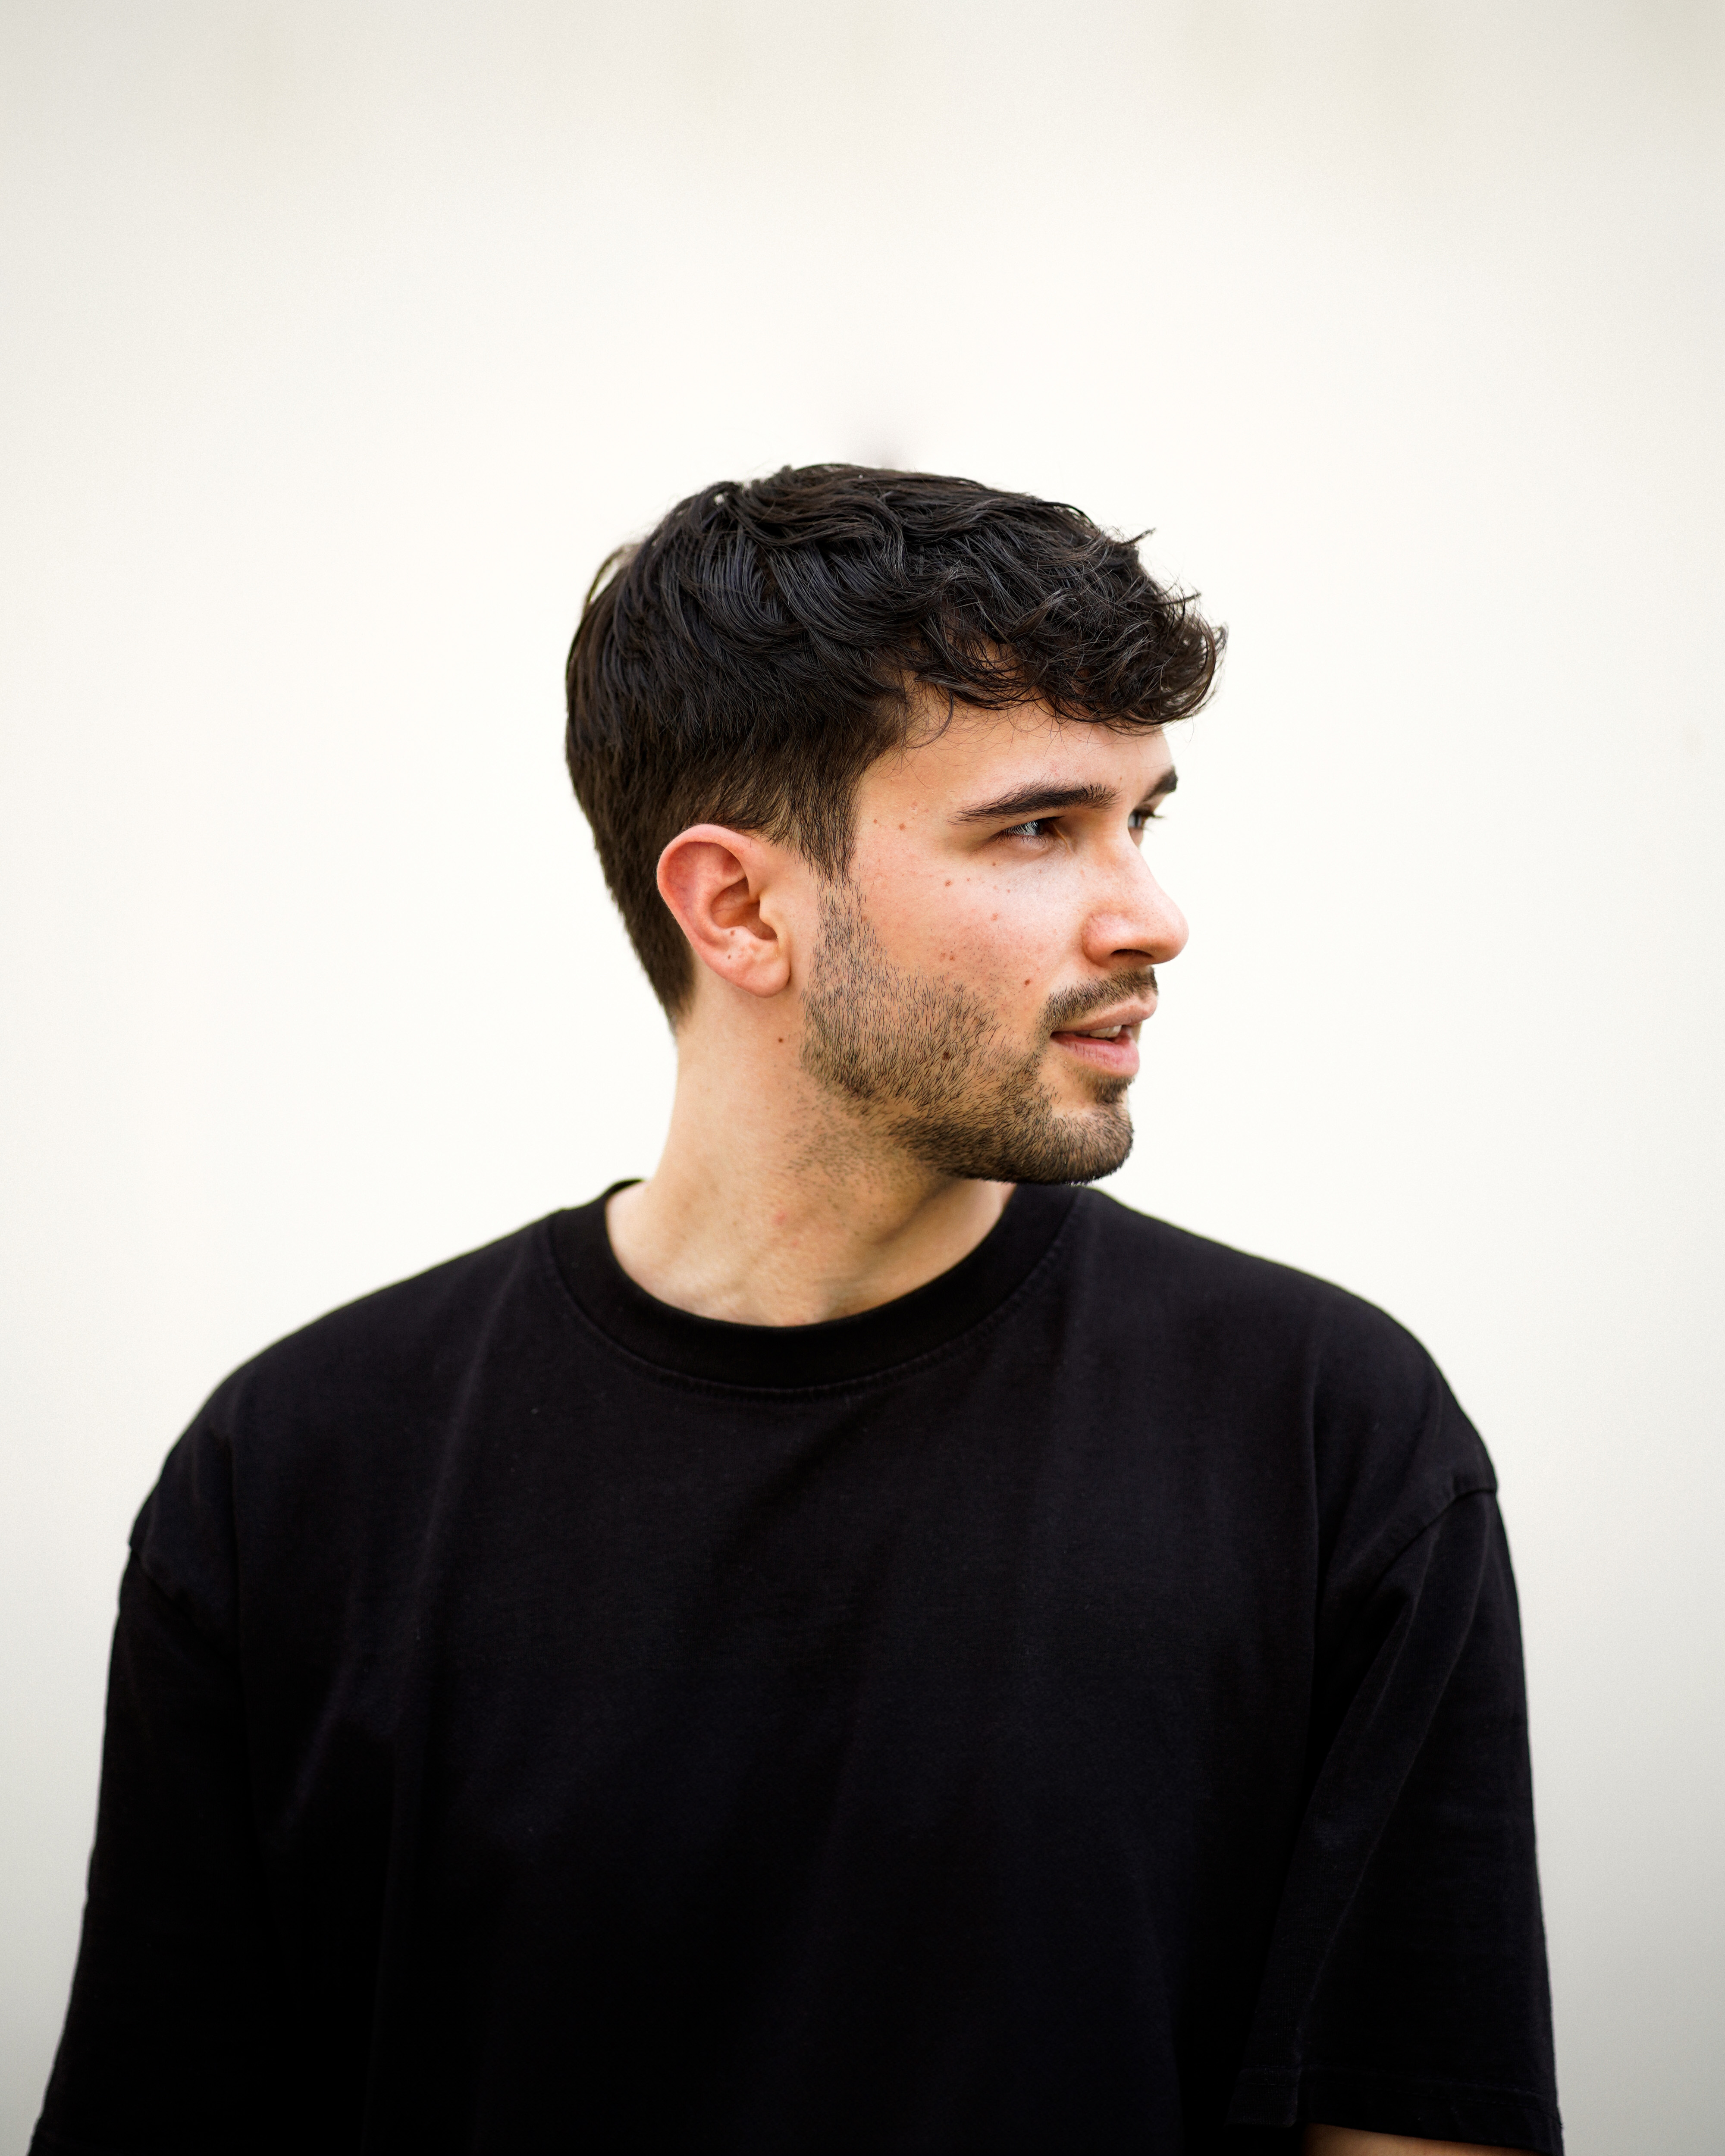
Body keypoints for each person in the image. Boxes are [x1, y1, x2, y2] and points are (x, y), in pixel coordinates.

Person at [32, 468, 1561, 2156]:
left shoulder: (1329, 1438)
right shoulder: (297, 1474)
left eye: (1145, 818)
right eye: (1038, 826)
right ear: (740, 907)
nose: (1152, 916)